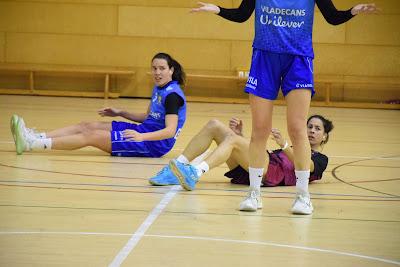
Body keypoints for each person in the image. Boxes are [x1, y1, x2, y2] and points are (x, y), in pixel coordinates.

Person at [185, 1, 378, 214]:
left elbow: (332, 17)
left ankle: (303, 196)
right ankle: (254, 193)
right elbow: (242, 14)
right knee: (260, 129)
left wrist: (353, 11)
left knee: (297, 128)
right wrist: (218, 10)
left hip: (298, 58)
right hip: (264, 57)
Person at [10, 52, 187, 158]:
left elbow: (169, 131)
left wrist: (141, 138)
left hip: (154, 144)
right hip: (146, 132)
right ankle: (37, 136)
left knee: (92, 136)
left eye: (162, 68)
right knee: (86, 125)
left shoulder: (172, 96)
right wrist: (120, 112)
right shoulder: (159, 88)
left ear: (171, 70)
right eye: (154, 68)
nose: (157, 72)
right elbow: (147, 117)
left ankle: (30, 144)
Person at [149, 115, 333, 198]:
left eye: (317, 129)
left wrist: (284, 144)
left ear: (324, 136)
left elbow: (306, 167)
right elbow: (259, 156)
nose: (311, 131)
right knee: (215, 125)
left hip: (272, 175)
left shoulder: (320, 159)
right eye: (309, 126)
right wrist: (240, 135)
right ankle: (176, 167)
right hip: (257, 169)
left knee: (234, 140)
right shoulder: (292, 147)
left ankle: (195, 173)